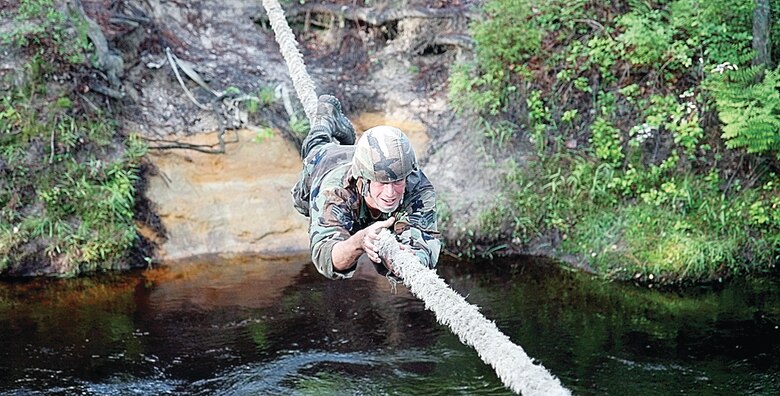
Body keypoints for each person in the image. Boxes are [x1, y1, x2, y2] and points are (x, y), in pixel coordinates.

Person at [291, 95, 441, 280]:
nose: (390, 193)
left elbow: (423, 246)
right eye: (382, 183)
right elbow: (326, 257)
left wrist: (405, 259)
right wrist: (359, 241)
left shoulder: (417, 186)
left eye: (397, 182)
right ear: (363, 179)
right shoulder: (335, 191)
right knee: (315, 149)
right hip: (327, 162)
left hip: (368, 162)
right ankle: (328, 119)